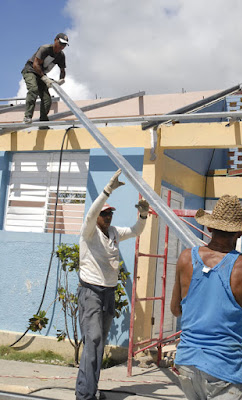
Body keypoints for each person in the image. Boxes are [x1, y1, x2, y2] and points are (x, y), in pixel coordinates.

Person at [171, 194, 242, 400]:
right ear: (240, 232)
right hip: (224, 368)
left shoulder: (186, 257)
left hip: (186, 363)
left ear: (210, 227)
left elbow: (176, 310)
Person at [76, 169, 149, 400]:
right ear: (98, 217)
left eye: (110, 215)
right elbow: (91, 212)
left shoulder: (115, 233)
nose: (108, 218)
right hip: (91, 292)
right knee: (93, 339)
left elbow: (137, 230)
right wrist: (108, 189)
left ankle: (91, 390)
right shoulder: (89, 232)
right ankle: (84, 394)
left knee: (98, 344)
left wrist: (143, 215)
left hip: (108, 294)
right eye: (104, 214)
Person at [21, 33, 68, 125]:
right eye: (61, 43)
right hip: (30, 70)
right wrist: (44, 78)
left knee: (47, 99)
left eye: (64, 45)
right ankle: (27, 117)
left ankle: (43, 121)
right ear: (55, 40)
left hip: (41, 74)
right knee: (33, 89)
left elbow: (62, 70)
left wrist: (61, 80)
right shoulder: (45, 49)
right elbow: (35, 64)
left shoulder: (61, 56)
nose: (62, 46)